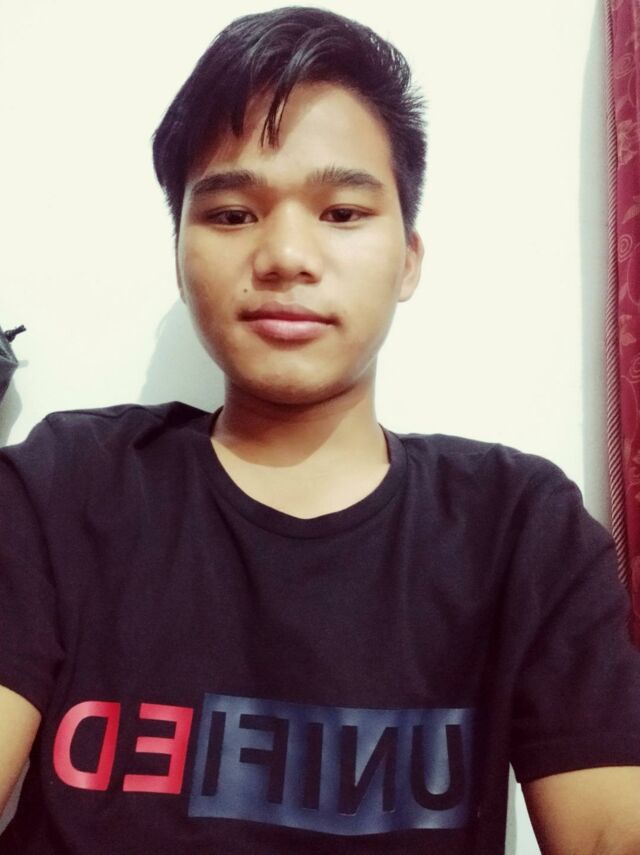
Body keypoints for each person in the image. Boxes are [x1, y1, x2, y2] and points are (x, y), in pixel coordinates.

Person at [1, 5, 640, 853]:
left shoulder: (520, 526)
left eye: (341, 212)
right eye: (232, 214)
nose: (285, 256)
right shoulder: (66, 485)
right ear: (179, 256)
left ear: (408, 258)